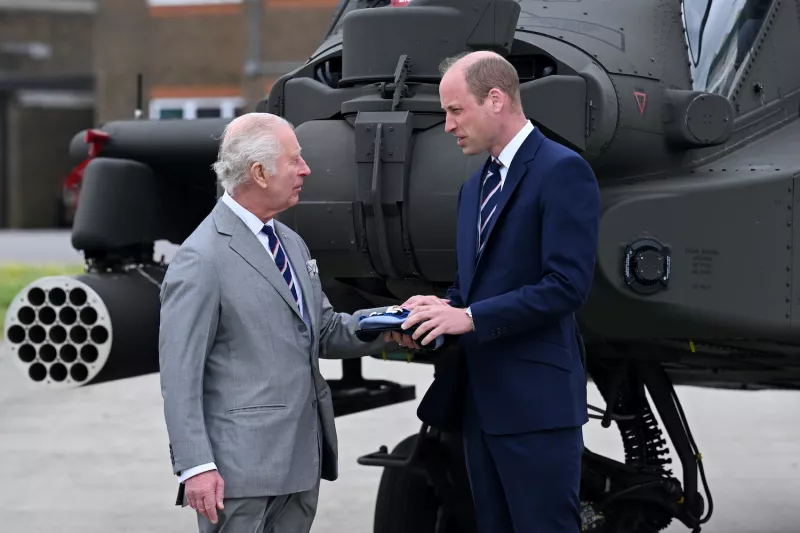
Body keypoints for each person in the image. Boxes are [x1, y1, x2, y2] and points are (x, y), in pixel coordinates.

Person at [158, 112, 403, 533]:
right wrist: (195, 466)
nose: (306, 169)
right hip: (239, 475)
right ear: (259, 172)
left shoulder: (289, 242)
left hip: (299, 464)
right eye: (295, 160)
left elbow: (323, 329)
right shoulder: (201, 259)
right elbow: (180, 376)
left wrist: (395, 321)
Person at [393, 51, 601, 532]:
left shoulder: (562, 171)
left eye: (455, 110)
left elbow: (566, 286)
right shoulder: (475, 187)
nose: (447, 126)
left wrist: (470, 318)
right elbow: (473, 288)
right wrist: (435, 310)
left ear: (495, 99)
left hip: (536, 407)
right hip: (480, 406)